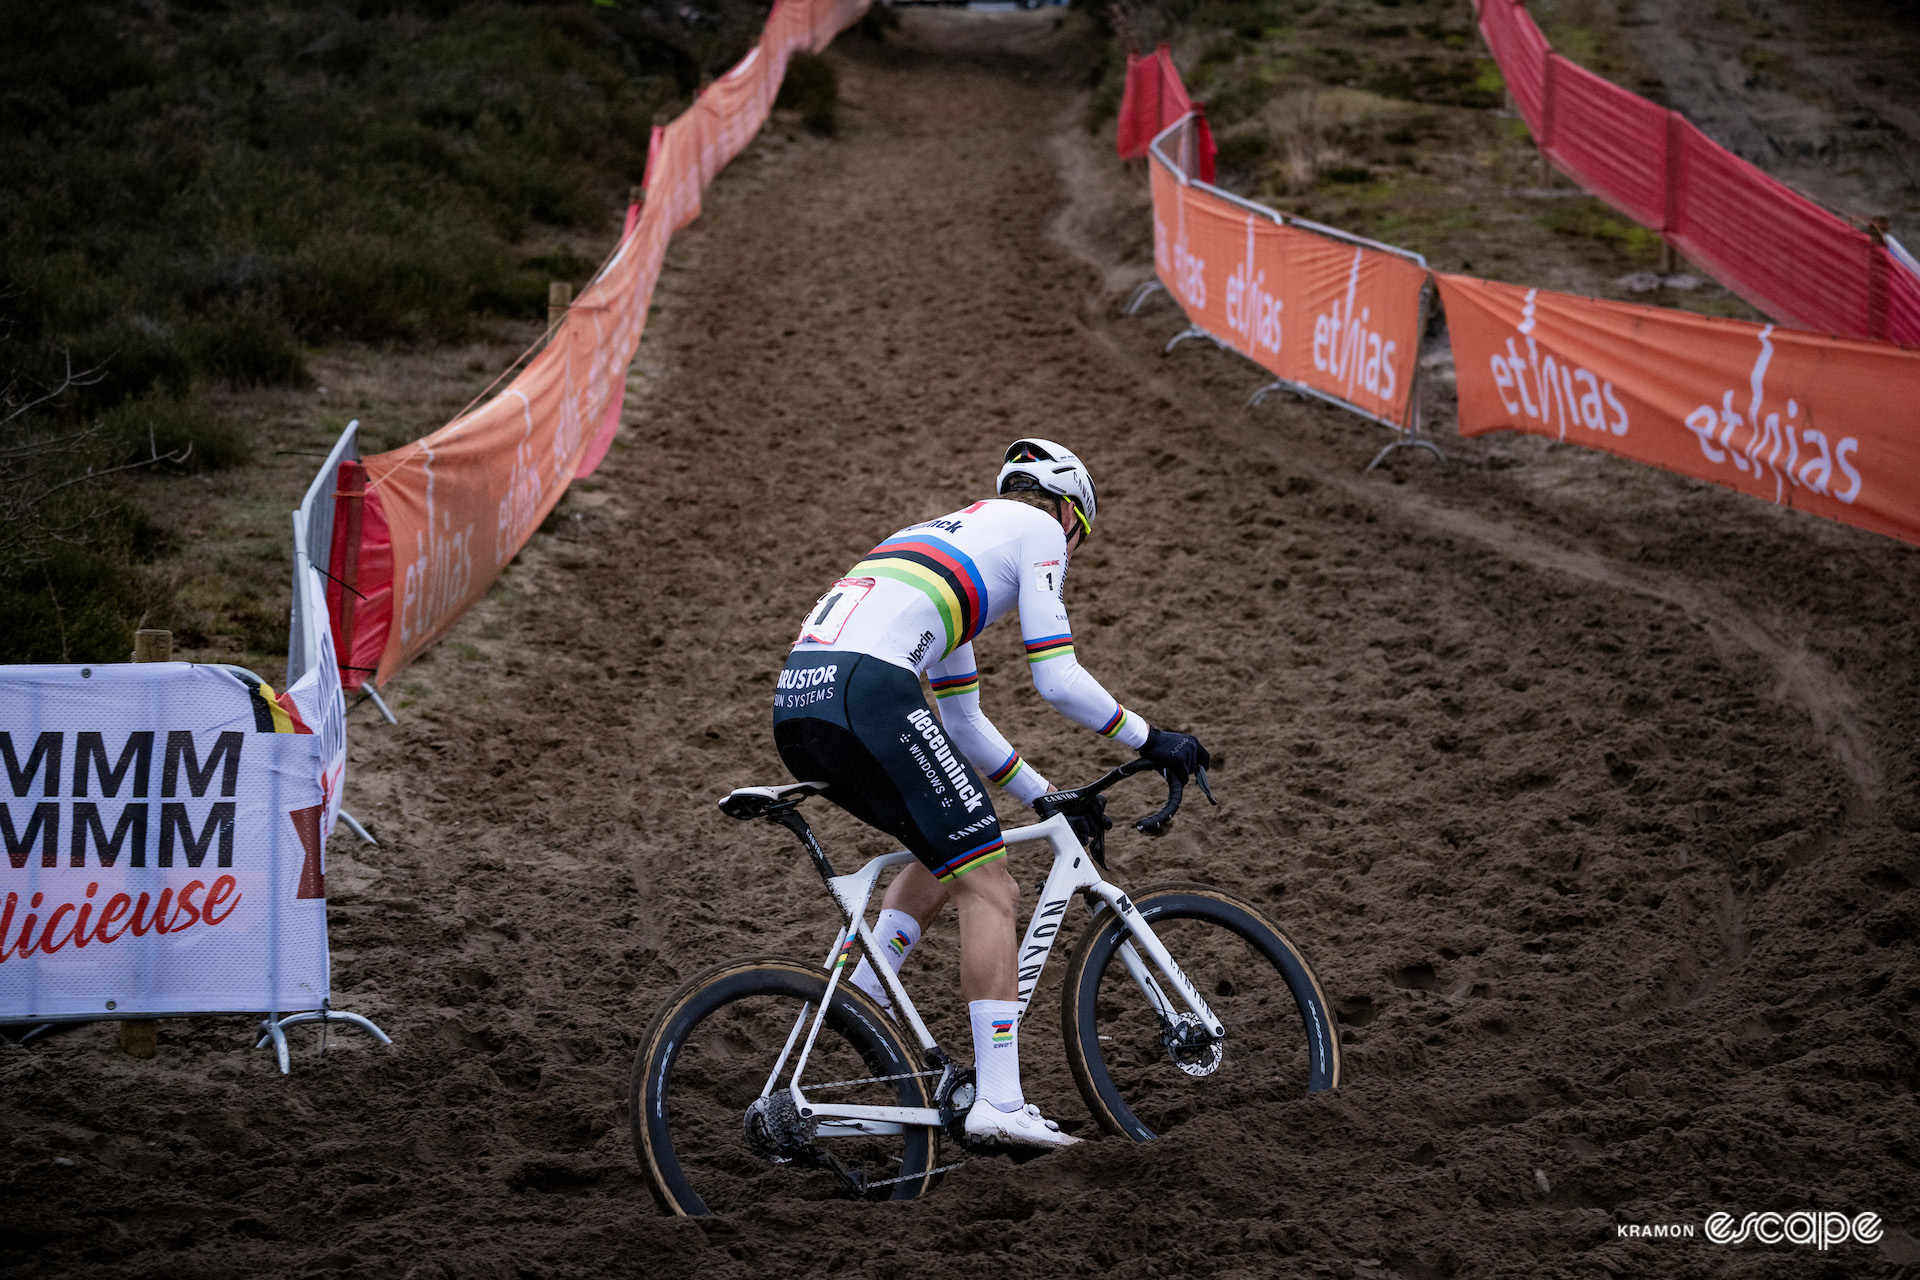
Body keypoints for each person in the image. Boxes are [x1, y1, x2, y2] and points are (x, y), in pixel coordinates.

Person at [771, 439, 1212, 1150]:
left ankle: (871, 997)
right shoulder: (1039, 531)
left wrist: (1046, 796)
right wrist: (1152, 738)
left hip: (801, 703)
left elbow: (966, 724)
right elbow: (1057, 677)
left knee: (951, 841)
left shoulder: (947, 544)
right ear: (1069, 515)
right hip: (867, 693)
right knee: (993, 887)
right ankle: (1001, 1101)